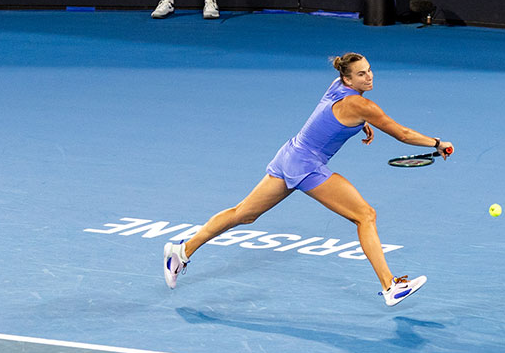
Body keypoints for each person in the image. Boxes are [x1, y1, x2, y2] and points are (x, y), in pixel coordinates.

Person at [163, 53, 454, 306]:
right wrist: (437, 143)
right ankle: (390, 286)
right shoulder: (363, 106)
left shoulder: (336, 88)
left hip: (290, 154)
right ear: (348, 80)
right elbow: (402, 134)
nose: (369, 77)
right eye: (361, 74)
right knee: (365, 215)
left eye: (369, 70)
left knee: (244, 214)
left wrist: (361, 125)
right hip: (307, 166)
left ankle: (182, 250)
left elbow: (337, 117)